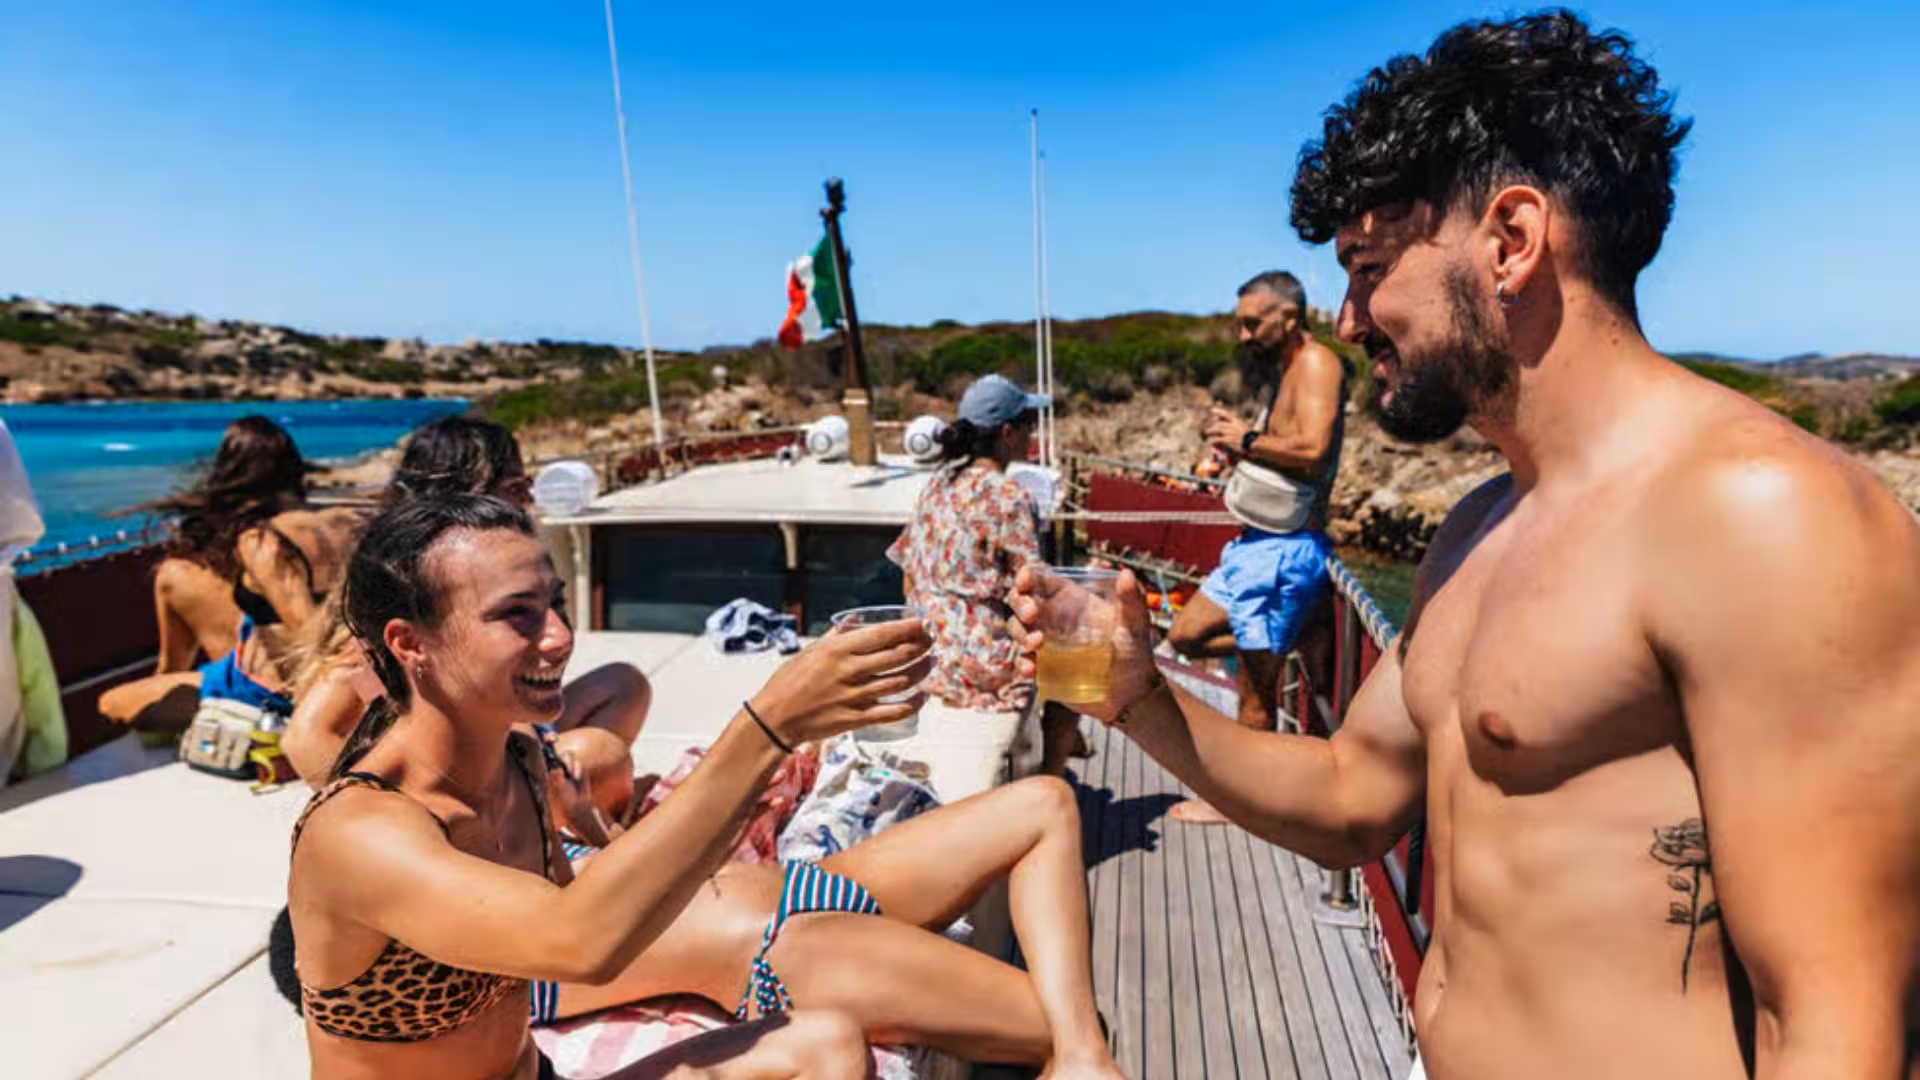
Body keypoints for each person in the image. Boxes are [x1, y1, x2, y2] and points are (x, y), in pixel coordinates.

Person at [1010, 12, 1920, 1079]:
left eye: (1369, 266)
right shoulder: (1481, 524)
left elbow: (1833, 1025)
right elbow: (1355, 794)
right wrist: (1141, 699)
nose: (1348, 319)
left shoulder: (1764, 519)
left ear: (1511, 240)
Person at [290, 493, 1123, 1078]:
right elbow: (578, 943)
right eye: (519, 615)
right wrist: (768, 727)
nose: (560, 637)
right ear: (411, 644)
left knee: (828, 1043)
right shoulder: (362, 833)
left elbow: (600, 900)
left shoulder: (518, 766)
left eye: (556, 602)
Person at [280, 414, 649, 823]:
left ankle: (554, 810)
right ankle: (539, 816)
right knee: (600, 753)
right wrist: (399, 813)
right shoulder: (406, 586)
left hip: (493, 739)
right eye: (513, 484)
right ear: (463, 494)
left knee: (624, 684)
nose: (528, 493)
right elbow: (305, 737)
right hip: (450, 774)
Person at [1170, 270, 1345, 741]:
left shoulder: (1316, 364)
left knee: (1254, 703)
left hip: (1282, 553)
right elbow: (1287, 443)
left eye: (1252, 324)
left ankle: (1241, 810)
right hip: (1253, 546)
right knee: (1183, 636)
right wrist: (1243, 439)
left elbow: (1312, 450)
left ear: (1287, 317)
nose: (1242, 335)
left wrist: (1244, 437)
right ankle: (1292, 634)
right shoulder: (1286, 368)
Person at [101, 415, 361, 729]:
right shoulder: (347, 520)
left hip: (264, 691)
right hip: (299, 675)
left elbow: (309, 633)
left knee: (110, 703)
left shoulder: (263, 542)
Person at [887, 374, 1080, 775]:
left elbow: (909, 575)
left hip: (930, 656)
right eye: (1028, 425)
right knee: (1075, 674)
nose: (1031, 434)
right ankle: (1052, 777)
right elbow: (1033, 589)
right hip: (980, 668)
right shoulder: (1008, 496)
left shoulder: (936, 485)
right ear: (1008, 431)